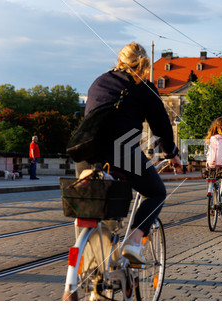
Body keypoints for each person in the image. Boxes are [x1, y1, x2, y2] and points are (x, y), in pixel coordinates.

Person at [78, 42, 182, 264]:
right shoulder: (143, 86)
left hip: (87, 153)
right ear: (144, 64)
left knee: (89, 207)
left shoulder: (99, 81)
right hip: (122, 153)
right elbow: (162, 127)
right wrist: (171, 153)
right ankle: (133, 242)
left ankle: (88, 265)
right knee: (156, 192)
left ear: (119, 60)